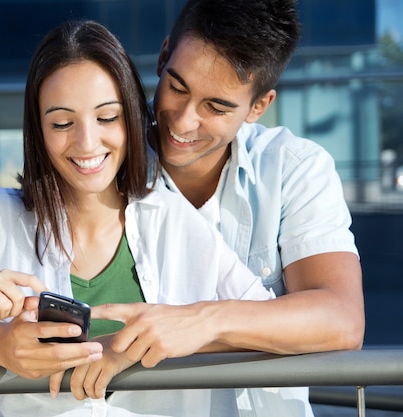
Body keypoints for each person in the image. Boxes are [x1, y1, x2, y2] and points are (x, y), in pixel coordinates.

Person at [0, 19, 278, 417]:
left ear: (132, 119)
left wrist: (151, 340)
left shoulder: (171, 220)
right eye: (62, 123)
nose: (87, 143)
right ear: (39, 130)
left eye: (106, 117)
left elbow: (264, 326)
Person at [91, 0, 364, 414]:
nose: (183, 122)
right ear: (164, 56)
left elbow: (342, 318)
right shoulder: (102, 162)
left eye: (215, 107)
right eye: (177, 87)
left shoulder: (294, 168)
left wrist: (204, 321)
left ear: (259, 106)